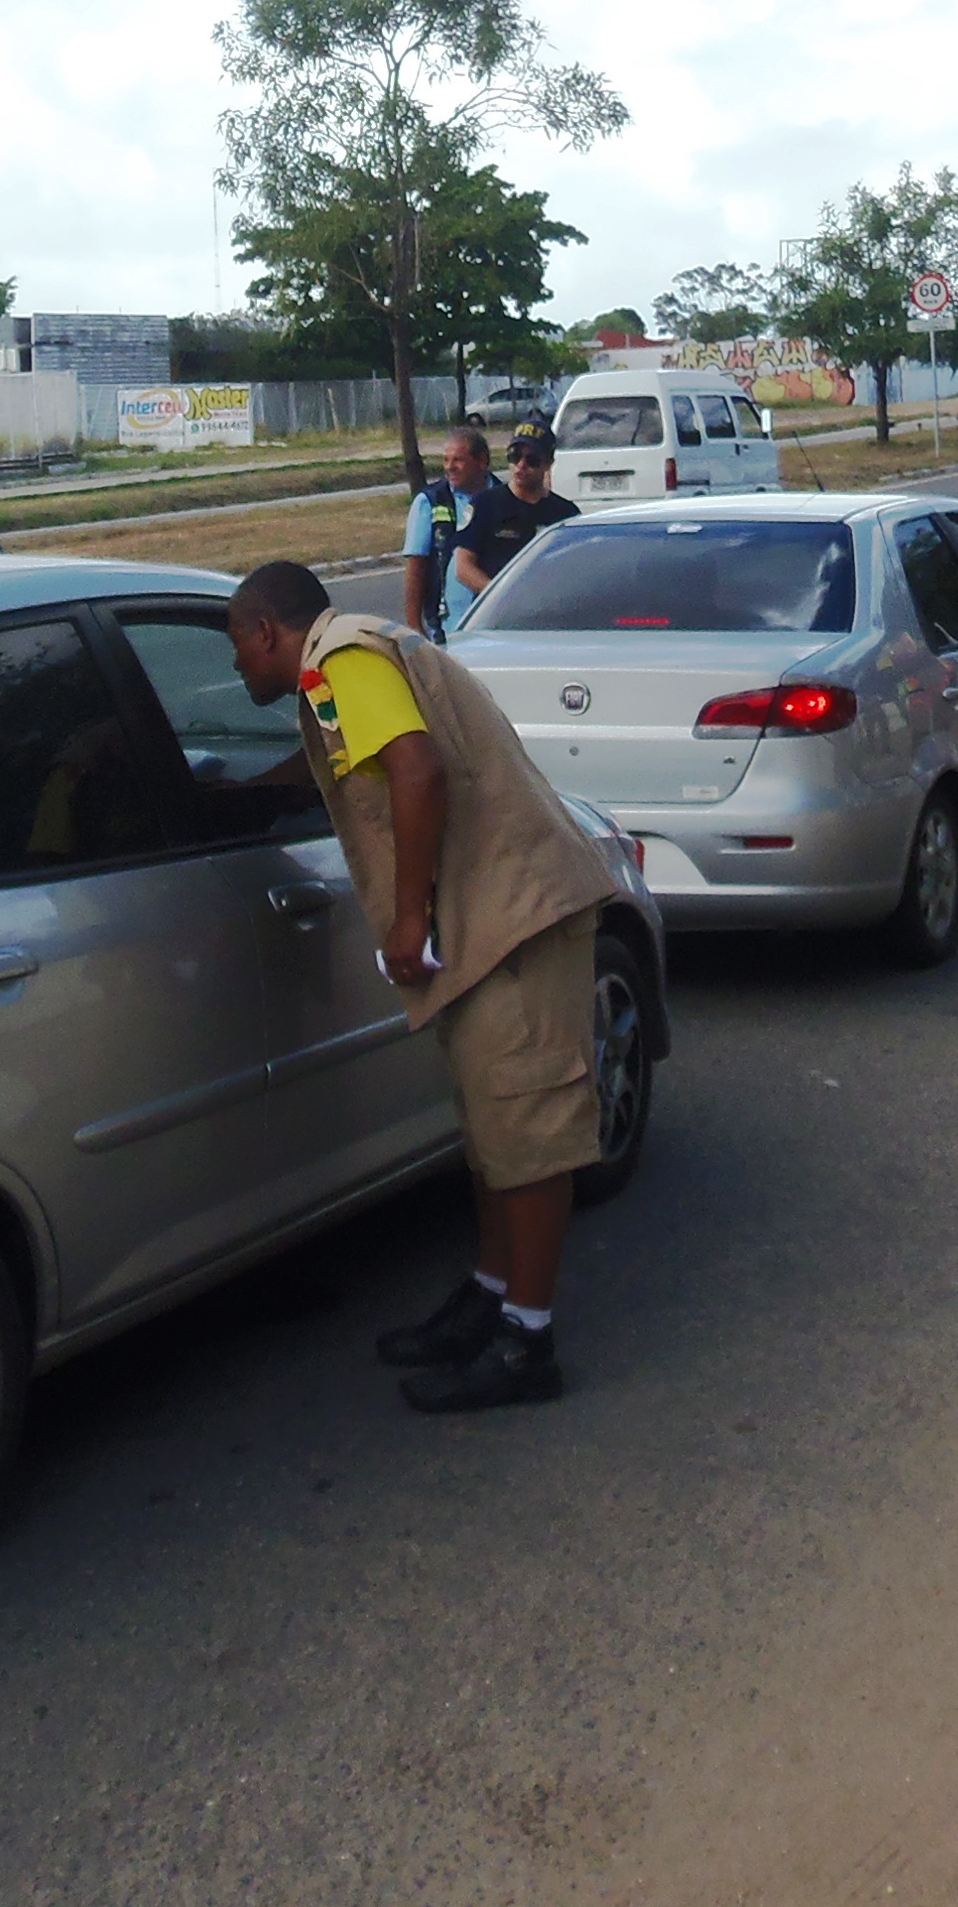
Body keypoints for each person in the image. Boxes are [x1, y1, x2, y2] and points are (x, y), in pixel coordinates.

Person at [226, 559, 626, 1412]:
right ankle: (492, 1296)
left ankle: (527, 1341)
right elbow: (356, 759)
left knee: (528, 1131)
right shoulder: (347, 663)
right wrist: (235, 795)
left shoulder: (343, 658)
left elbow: (415, 769)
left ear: (265, 631)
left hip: (515, 916)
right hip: (493, 919)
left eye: (236, 647)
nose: (234, 666)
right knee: (493, 1131)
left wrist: (409, 918)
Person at [448, 430, 579, 622]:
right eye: (515, 456)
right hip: (496, 616)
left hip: (551, 615)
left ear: (548, 462)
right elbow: (463, 567)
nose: (521, 465)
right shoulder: (485, 505)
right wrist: (499, 595)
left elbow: (577, 571)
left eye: (532, 460)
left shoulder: (565, 513)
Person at [398, 429, 501, 639]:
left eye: (458, 460)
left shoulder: (504, 497)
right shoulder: (430, 501)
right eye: (446, 460)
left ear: (482, 461)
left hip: (497, 624)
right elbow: (416, 566)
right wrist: (415, 627)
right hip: (446, 630)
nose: (449, 467)